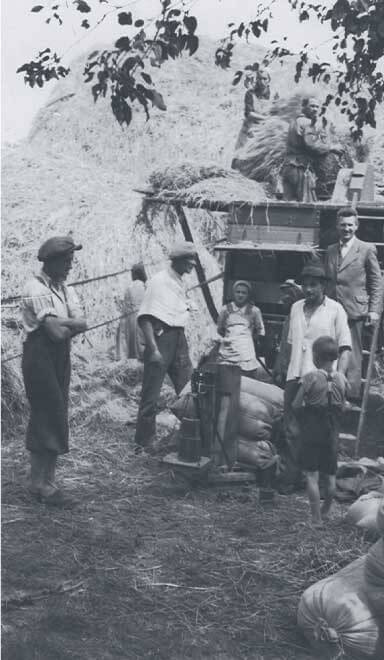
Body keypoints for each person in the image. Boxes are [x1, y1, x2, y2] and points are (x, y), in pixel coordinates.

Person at [21, 236, 87, 504]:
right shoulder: (34, 288)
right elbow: (56, 333)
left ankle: (47, 480)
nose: (71, 266)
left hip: (60, 357)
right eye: (67, 261)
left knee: (57, 413)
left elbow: (83, 323)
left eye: (72, 261)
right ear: (52, 261)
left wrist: (66, 323)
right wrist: (70, 323)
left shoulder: (65, 288)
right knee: (46, 413)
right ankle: (38, 483)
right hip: (39, 357)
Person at [284, 263, 351, 470]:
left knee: (325, 429)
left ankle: (324, 479)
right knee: (292, 427)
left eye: (314, 285)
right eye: (305, 285)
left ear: (323, 286)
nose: (309, 289)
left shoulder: (335, 310)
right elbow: (290, 343)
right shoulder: (296, 308)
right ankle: (292, 476)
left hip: (323, 380)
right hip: (295, 374)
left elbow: (345, 346)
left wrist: (339, 376)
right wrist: (283, 369)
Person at [134, 241, 197, 451]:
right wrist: (153, 349)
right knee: (151, 394)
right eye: (190, 261)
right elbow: (145, 318)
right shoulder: (159, 281)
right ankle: (144, 442)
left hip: (179, 339)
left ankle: (190, 438)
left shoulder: (179, 281)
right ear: (178, 260)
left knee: (189, 391)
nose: (193, 265)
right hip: (162, 339)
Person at [325, 207, 383, 401]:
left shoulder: (366, 249)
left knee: (352, 355)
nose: (346, 229)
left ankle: (350, 396)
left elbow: (376, 282)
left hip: (355, 310)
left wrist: (374, 310)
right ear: (336, 226)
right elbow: (329, 280)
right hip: (332, 309)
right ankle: (330, 393)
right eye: (342, 225)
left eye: (350, 225)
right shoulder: (331, 250)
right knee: (330, 351)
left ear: (356, 226)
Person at [292, 336, 347, 526]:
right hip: (332, 431)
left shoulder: (310, 377)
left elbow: (296, 405)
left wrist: (303, 419)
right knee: (330, 476)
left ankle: (316, 519)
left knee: (311, 476)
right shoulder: (341, 379)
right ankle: (326, 511)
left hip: (312, 430)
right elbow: (343, 407)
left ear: (316, 357)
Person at [281, 97, 344, 202]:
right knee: (307, 205)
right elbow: (312, 145)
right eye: (312, 106)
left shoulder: (295, 122)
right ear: (304, 107)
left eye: (317, 107)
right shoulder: (307, 123)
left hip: (288, 168)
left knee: (288, 204)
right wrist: (332, 147)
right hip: (300, 169)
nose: (315, 109)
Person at [216, 280, 265, 378]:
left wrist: (248, 339)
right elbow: (220, 329)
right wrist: (230, 338)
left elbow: (260, 330)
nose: (240, 295)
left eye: (244, 293)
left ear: (248, 295)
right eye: (238, 292)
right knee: (227, 379)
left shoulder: (255, 311)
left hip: (246, 350)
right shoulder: (225, 309)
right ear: (233, 293)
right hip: (228, 350)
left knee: (245, 379)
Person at [231, 67, 271, 171]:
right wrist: (266, 119)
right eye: (259, 78)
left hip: (262, 131)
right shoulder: (250, 93)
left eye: (265, 79)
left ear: (269, 80)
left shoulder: (271, 94)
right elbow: (249, 114)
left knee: (256, 159)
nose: (262, 81)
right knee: (241, 156)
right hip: (249, 129)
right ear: (256, 80)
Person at [273, 279, 303, 387]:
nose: (284, 298)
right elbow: (283, 346)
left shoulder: (299, 318)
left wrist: (283, 369)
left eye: (290, 294)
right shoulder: (289, 318)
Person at [116, 263, 147, 361]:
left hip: (131, 316)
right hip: (144, 315)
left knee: (130, 341)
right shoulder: (145, 285)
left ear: (135, 274)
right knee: (142, 341)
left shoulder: (130, 287)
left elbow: (126, 305)